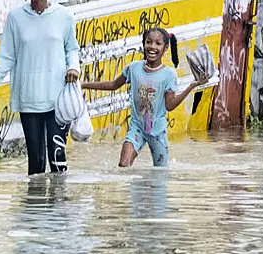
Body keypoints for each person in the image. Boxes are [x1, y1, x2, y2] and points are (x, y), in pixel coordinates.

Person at [0, 0, 80, 175]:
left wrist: (73, 68)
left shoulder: (64, 16)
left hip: (57, 99)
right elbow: (6, 58)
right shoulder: (16, 17)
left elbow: (72, 50)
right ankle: (36, 205)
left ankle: (59, 205)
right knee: (36, 161)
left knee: (57, 157)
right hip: (28, 97)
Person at [82, 28, 208, 168]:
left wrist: (191, 86)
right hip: (137, 128)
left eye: (158, 43)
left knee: (159, 175)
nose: (152, 47)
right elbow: (113, 85)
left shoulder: (169, 74)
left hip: (158, 132)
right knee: (123, 165)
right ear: (144, 44)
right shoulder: (134, 68)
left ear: (165, 48)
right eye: (149, 42)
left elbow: (169, 105)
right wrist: (83, 85)